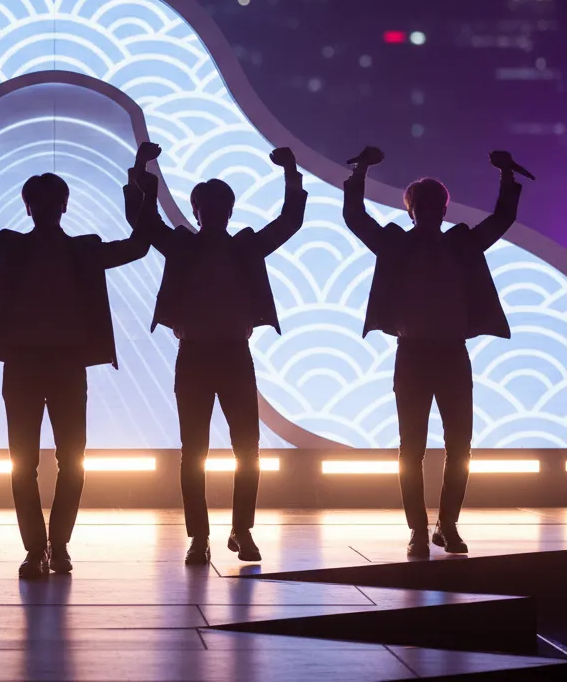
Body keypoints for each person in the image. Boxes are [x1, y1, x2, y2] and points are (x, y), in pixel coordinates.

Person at [0, 152, 150, 579]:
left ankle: (45, 548)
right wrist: (138, 178)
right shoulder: (63, 249)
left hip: (38, 366)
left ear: (30, 206)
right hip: (48, 366)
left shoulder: (29, 247)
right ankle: (49, 548)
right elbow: (139, 243)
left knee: (39, 462)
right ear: (57, 206)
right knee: (53, 462)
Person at [126, 141, 307, 565]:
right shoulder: (184, 246)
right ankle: (200, 536)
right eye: (206, 207)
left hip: (230, 356)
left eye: (218, 207)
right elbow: (142, 218)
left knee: (245, 450)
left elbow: (290, 221)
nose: (212, 213)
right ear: (197, 212)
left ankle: (240, 530)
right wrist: (139, 168)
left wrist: (292, 173)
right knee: (196, 452)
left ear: (227, 212)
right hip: (196, 357)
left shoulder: (243, 247)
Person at [343, 146, 523, 557]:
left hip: (450, 354)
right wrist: (361, 172)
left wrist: (508, 177)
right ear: (411, 210)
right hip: (413, 355)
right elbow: (355, 217)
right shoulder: (394, 244)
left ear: (443, 210)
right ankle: (420, 530)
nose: (427, 211)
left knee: (459, 445)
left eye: (433, 205)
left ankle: (447, 524)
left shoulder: (461, 243)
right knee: (413, 447)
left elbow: (502, 219)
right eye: (421, 205)